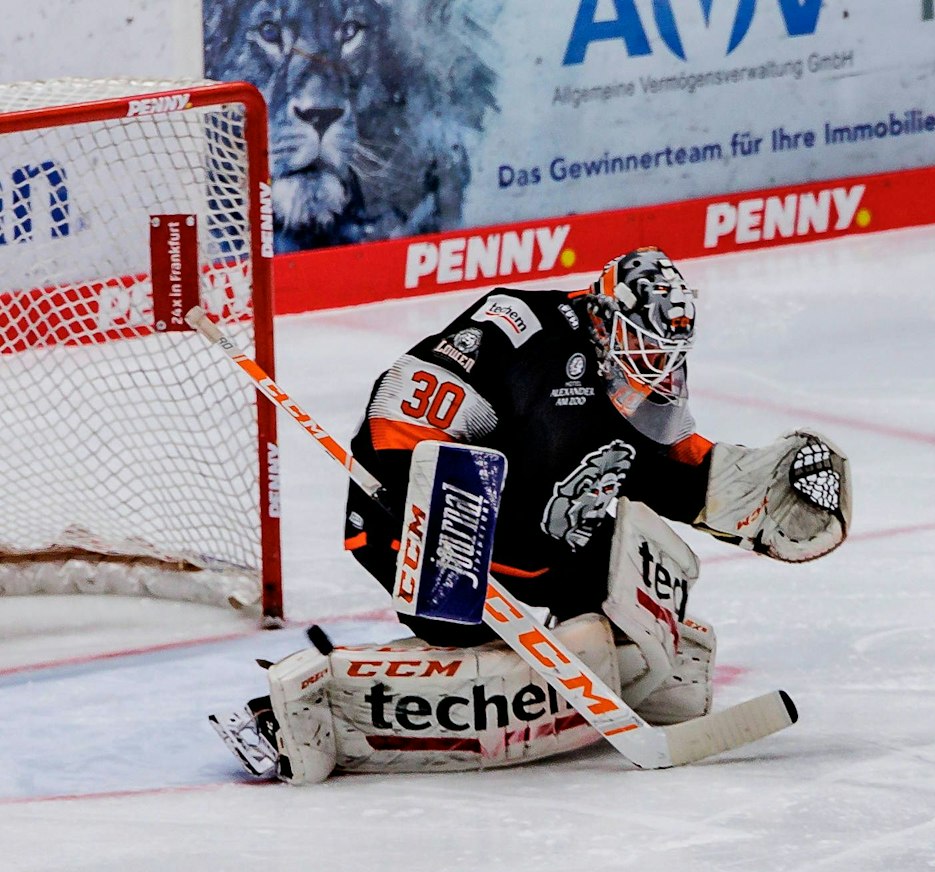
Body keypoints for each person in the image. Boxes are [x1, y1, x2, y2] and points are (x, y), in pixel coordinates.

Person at [211, 248, 852, 783]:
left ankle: (621, 660)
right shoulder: (522, 326)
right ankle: (317, 705)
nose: (658, 367)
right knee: (465, 634)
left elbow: (668, 463)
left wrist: (753, 496)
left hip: (531, 523)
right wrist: (420, 490)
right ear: (607, 318)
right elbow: (403, 395)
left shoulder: (637, 376)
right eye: (646, 346)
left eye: (669, 352)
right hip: (417, 517)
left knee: (613, 562)